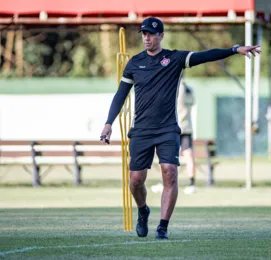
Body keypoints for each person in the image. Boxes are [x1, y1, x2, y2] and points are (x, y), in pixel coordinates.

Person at [100, 17, 261, 240]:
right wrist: (108, 123)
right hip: (141, 131)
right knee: (136, 181)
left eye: (151, 34)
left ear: (161, 36)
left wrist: (234, 49)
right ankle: (143, 210)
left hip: (167, 129)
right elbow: (120, 95)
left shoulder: (174, 59)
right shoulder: (134, 63)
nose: (146, 38)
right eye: (144, 34)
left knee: (170, 173)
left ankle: (163, 228)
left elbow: (206, 56)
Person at [177, 79, 197, 195]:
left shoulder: (175, 87)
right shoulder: (189, 88)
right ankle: (191, 183)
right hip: (186, 128)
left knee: (166, 157)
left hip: (175, 127)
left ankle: (166, 182)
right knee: (189, 155)